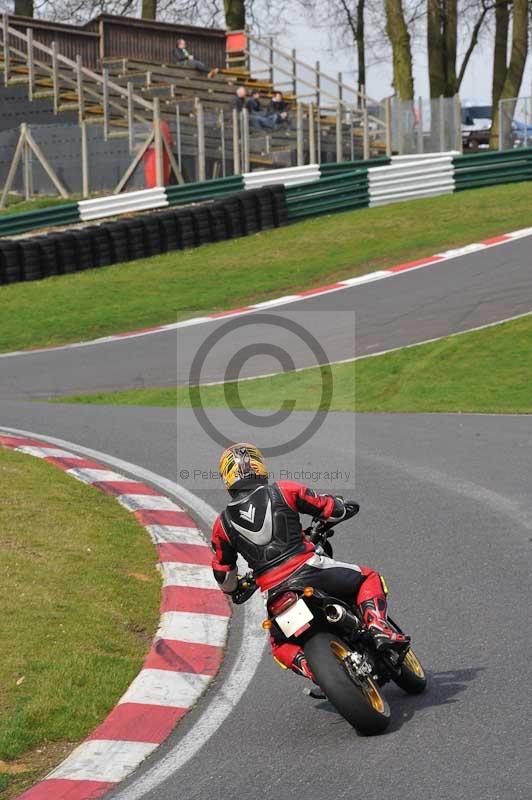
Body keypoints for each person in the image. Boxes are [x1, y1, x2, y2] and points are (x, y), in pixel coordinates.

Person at [211, 443, 409, 687]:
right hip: (309, 567)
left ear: (227, 477)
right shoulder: (283, 490)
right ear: (258, 466)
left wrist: (236, 587)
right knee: (369, 578)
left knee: (280, 645)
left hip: (274, 593)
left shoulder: (222, 525)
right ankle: (378, 626)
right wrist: (341, 507)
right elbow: (330, 508)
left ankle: (314, 670)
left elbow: (223, 573)